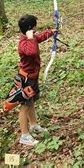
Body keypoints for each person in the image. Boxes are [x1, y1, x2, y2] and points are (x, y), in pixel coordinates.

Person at [17, 14, 54, 146]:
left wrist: (51, 32)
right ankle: (24, 135)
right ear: (30, 28)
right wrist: (31, 37)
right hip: (26, 79)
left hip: (33, 77)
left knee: (31, 102)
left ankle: (33, 125)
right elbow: (32, 51)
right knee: (25, 106)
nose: (36, 30)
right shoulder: (24, 43)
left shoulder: (29, 38)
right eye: (35, 28)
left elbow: (39, 38)